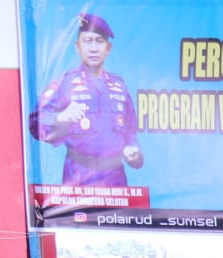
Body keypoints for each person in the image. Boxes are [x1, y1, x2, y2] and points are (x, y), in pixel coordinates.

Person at [26, 13, 142, 187]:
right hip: (78, 177)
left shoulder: (119, 86)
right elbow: (35, 122)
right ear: (77, 46)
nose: (94, 48)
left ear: (108, 48)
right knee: (77, 216)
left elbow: (131, 130)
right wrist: (60, 117)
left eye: (99, 41)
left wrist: (133, 151)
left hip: (115, 179)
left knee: (116, 216)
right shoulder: (65, 82)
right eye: (87, 41)